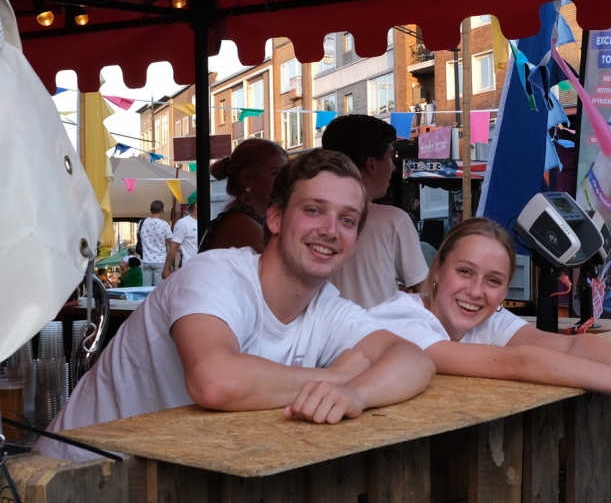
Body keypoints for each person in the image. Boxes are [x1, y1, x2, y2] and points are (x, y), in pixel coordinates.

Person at [35, 150, 435, 462]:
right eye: (313, 210)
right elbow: (215, 381)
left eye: (347, 220)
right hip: (73, 477)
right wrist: (336, 377)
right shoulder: (215, 272)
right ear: (275, 218)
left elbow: (414, 360)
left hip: (168, 482)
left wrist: (357, 394)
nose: (330, 230)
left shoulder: (328, 307)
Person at [368, 217, 611, 419]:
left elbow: (573, 347)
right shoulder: (400, 320)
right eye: (464, 271)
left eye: (493, 281)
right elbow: (519, 362)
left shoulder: (487, 320)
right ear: (436, 269)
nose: (476, 291)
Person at [322, 115, 428, 309]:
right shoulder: (394, 221)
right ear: (371, 164)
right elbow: (425, 293)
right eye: (390, 156)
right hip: (378, 327)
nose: (393, 167)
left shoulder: (310, 222)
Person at [199, 138, 287, 253]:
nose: (285, 179)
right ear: (248, 179)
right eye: (276, 173)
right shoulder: (238, 222)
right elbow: (285, 261)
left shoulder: (252, 217)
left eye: (286, 172)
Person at [162, 191, 199, 279]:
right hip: (189, 269)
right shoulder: (183, 223)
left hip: (207, 268)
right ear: (196, 205)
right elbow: (174, 246)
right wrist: (166, 268)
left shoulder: (210, 221)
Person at [139, 200, 172, 287]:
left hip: (146, 260)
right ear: (162, 211)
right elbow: (172, 243)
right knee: (159, 289)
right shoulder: (164, 224)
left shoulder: (142, 223)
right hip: (160, 260)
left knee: (146, 289)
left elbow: (139, 236)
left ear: (150, 210)